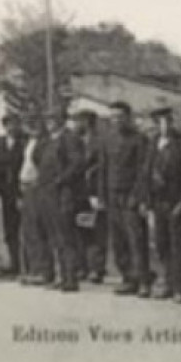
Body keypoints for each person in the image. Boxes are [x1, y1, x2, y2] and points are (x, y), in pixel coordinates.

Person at [140, 106, 181, 302]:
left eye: (168, 121)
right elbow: (144, 173)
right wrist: (145, 199)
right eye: (160, 121)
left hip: (175, 201)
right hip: (157, 201)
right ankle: (167, 282)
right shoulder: (152, 143)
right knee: (161, 244)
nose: (165, 125)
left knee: (178, 245)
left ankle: (180, 288)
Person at [99, 101, 150, 296]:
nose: (116, 121)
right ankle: (128, 278)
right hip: (112, 196)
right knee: (118, 240)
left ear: (129, 118)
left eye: (120, 117)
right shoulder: (107, 139)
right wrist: (102, 196)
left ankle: (144, 280)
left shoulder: (139, 140)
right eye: (113, 117)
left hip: (130, 196)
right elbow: (103, 169)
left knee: (136, 239)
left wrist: (137, 196)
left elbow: (143, 171)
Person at [47, 105, 90, 292]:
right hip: (52, 194)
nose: (50, 123)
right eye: (48, 119)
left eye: (54, 119)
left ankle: (71, 278)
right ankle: (62, 275)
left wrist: (60, 179)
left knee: (67, 236)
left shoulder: (69, 139)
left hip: (67, 194)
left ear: (62, 120)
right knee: (57, 236)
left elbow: (77, 163)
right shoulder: (52, 139)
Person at [15, 110, 57, 286]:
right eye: (27, 122)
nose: (31, 126)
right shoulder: (26, 142)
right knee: (28, 231)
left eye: (35, 122)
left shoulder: (47, 143)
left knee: (40, 230)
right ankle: (33, 269)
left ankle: (44, 270)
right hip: (25, 188)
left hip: (38, 187)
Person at [76, 111, 109, 283]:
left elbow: (102, 165)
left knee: (97, 231)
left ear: (87, 122)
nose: (76, 125)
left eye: (78, 121)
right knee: (80, 229)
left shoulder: (99, 141)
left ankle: (97, 268)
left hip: (94, 191)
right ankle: (82, 267)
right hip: (79, 191)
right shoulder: (77, 141)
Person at [0, 112, 31, 277]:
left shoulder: (25, 142)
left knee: (26, 228)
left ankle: (29, 265)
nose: (12, 127)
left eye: (15, 124)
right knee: (9, 229)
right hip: (5, 192)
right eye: (8, 124)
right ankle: (14, 263)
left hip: (22, 190)